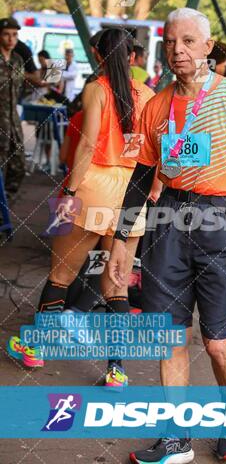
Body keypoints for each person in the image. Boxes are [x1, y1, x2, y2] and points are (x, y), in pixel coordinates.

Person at [107, 7, 226, 463]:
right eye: (169, 42)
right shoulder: (156, 106)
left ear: (207, 47)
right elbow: (141, 177)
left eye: (187, 42)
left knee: (217, 342)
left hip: (223, 221)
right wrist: (122, 240)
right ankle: (175, 439)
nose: (177, 50)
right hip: (168, 219)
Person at [7, 29, 158, 390]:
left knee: (60, 275)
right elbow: (158, 153)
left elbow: (87, 147)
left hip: (92, 190)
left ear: (96, 54)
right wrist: (155, 191)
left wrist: (69, 193)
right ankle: (117, 371)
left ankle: (35, 350)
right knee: (117, 286)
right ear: (133, 58)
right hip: (131, 195)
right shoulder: (150, 94)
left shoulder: (95, 89)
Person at [0, 17, 26, 202]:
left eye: (14, 35)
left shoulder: (18, 60)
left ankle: (5, 207)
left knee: (19, 166)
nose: (11, 39)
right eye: (6, 34)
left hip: (13, 124)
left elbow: (19, 89)